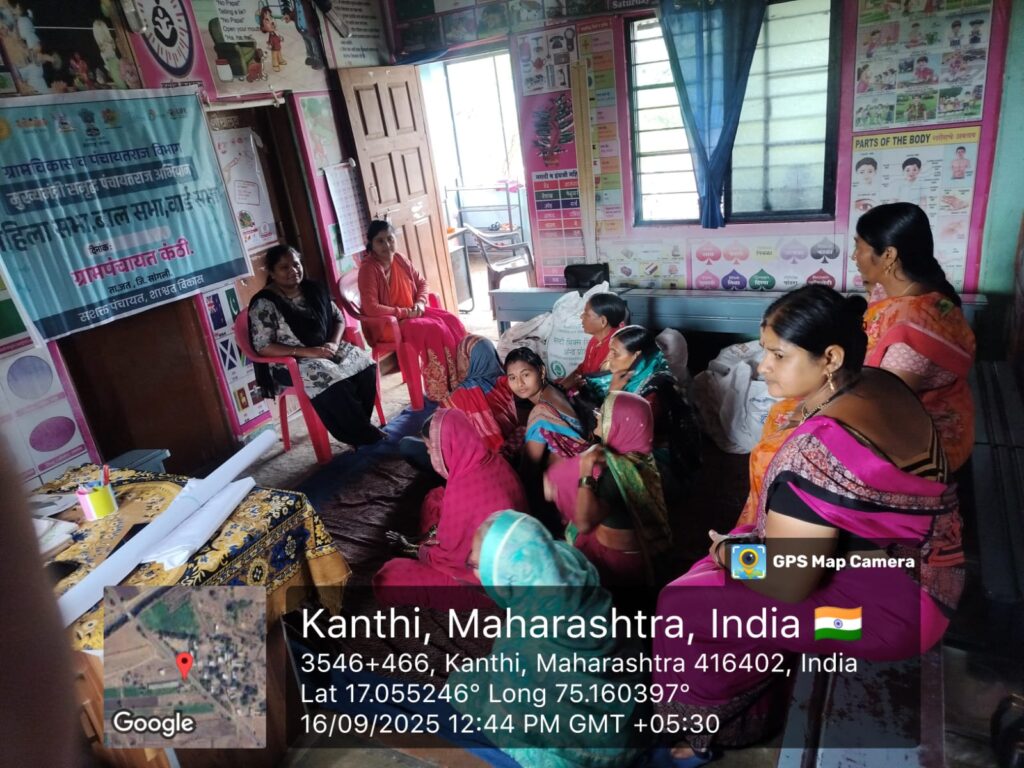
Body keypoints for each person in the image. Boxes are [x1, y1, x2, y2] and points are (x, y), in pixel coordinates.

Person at [655, 286, 965, 763]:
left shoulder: (816, 454)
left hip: (885, 618)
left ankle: (713, 729)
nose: (763, 367)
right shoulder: (880, 383)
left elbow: (788, 582)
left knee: (682, 606)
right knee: (716, 575)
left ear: (831, 358)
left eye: (779, 355)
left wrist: (728, 554)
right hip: (923, 566)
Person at [451, 510, 644, 768]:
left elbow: (513, 698)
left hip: (596, 750)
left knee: (464, 686)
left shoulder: (522, 639)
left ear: (507, 573)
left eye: (478, 565)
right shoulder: (568, 564)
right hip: (630, 723)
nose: (476, 574)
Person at [853, 202, 975, 470]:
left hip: (924, 442)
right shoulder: (906, 292)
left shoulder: (911, 327)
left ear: (888, 255)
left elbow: (888, 402)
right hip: (913, 410)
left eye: (858, 247)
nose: (854, 256)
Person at [375, 409, 526, 611]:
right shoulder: (491, 459)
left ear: (446, 446)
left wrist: (413, 548)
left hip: (490, 585)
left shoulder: (462, 490)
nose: (429, 454)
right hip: (518, 553)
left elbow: (450, 558)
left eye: (430, 448)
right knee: (436, 498)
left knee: (388, 577)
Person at [249, 245, 384, 447]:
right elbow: (263, 346)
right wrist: (308, 352)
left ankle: (359, 431)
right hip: (291, 362)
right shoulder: (265, 303)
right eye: (284, 267)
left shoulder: (313, 290)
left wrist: (333, 343)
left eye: (296, 264)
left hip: (325, 348)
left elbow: (338, 318)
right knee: (332, 377)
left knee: (365, 364)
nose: (293, 270)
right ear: (272, 273)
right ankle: (364, 435)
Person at [544, 391, 673, 589]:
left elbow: (584, 523)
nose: (597, 421)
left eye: (603, 416)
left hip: (617, 564)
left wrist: (586, 467)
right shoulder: (643, 457)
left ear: (619, 425)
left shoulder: (614, 473)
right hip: (643, 552)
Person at [357, 220, 467, 402]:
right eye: (380, 241)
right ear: (371, 244)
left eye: (390, 239)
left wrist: (421, 303)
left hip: (412, 313)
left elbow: (422, 283)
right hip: (388, 324)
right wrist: (405, 312)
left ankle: (461, 377)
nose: (387, 245)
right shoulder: (368, 270)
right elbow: (371, 308)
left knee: (450, 320)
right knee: (433, 329)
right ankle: (440, 389)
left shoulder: (400, 259)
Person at [579, 325, 701, 485]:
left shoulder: (653, 393)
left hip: (652, 460)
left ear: (636, 356)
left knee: (586, 467)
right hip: (625, 443)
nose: (608, 358)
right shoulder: (632, 375)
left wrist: (613, 393)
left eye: (615, 353)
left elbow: (619, 434)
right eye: (610, 351)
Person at [558, 292, 630, 392]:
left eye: (586, 314)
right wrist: (560, 387)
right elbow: (581, 370)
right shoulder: (595, 340)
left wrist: (561, 390)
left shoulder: (614, 347)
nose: (581, 317)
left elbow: (600, 383)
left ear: (603, 321)